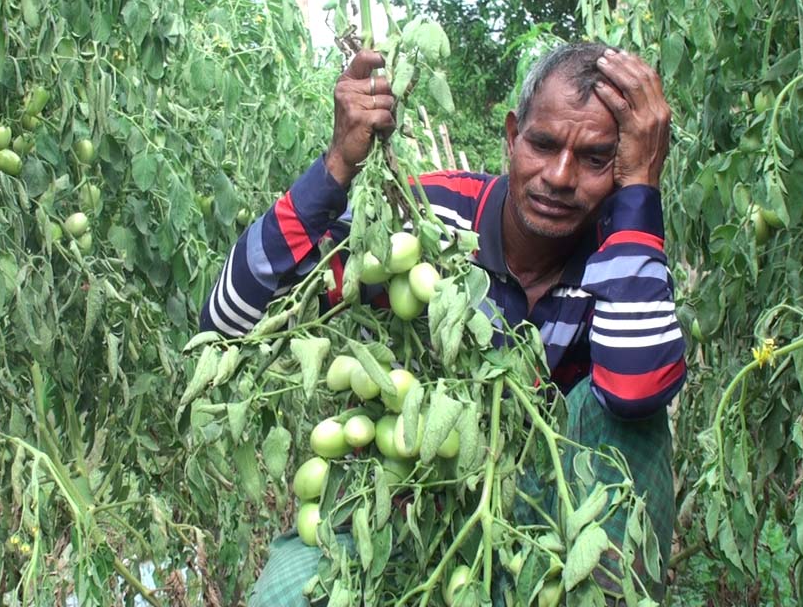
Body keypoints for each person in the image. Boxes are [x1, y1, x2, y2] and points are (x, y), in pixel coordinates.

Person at [199, 41, 686, 605]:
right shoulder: (428, 220)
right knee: (287, 594)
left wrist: (641, 193)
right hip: (396, 500)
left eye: (596, 158)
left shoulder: (621, 257)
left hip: (537, 515)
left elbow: (636, 392)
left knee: (633, 418)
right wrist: (336, 166)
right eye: (543, 144)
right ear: (511, 136)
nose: (559, 175)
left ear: (624, 167)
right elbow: (228, 323)